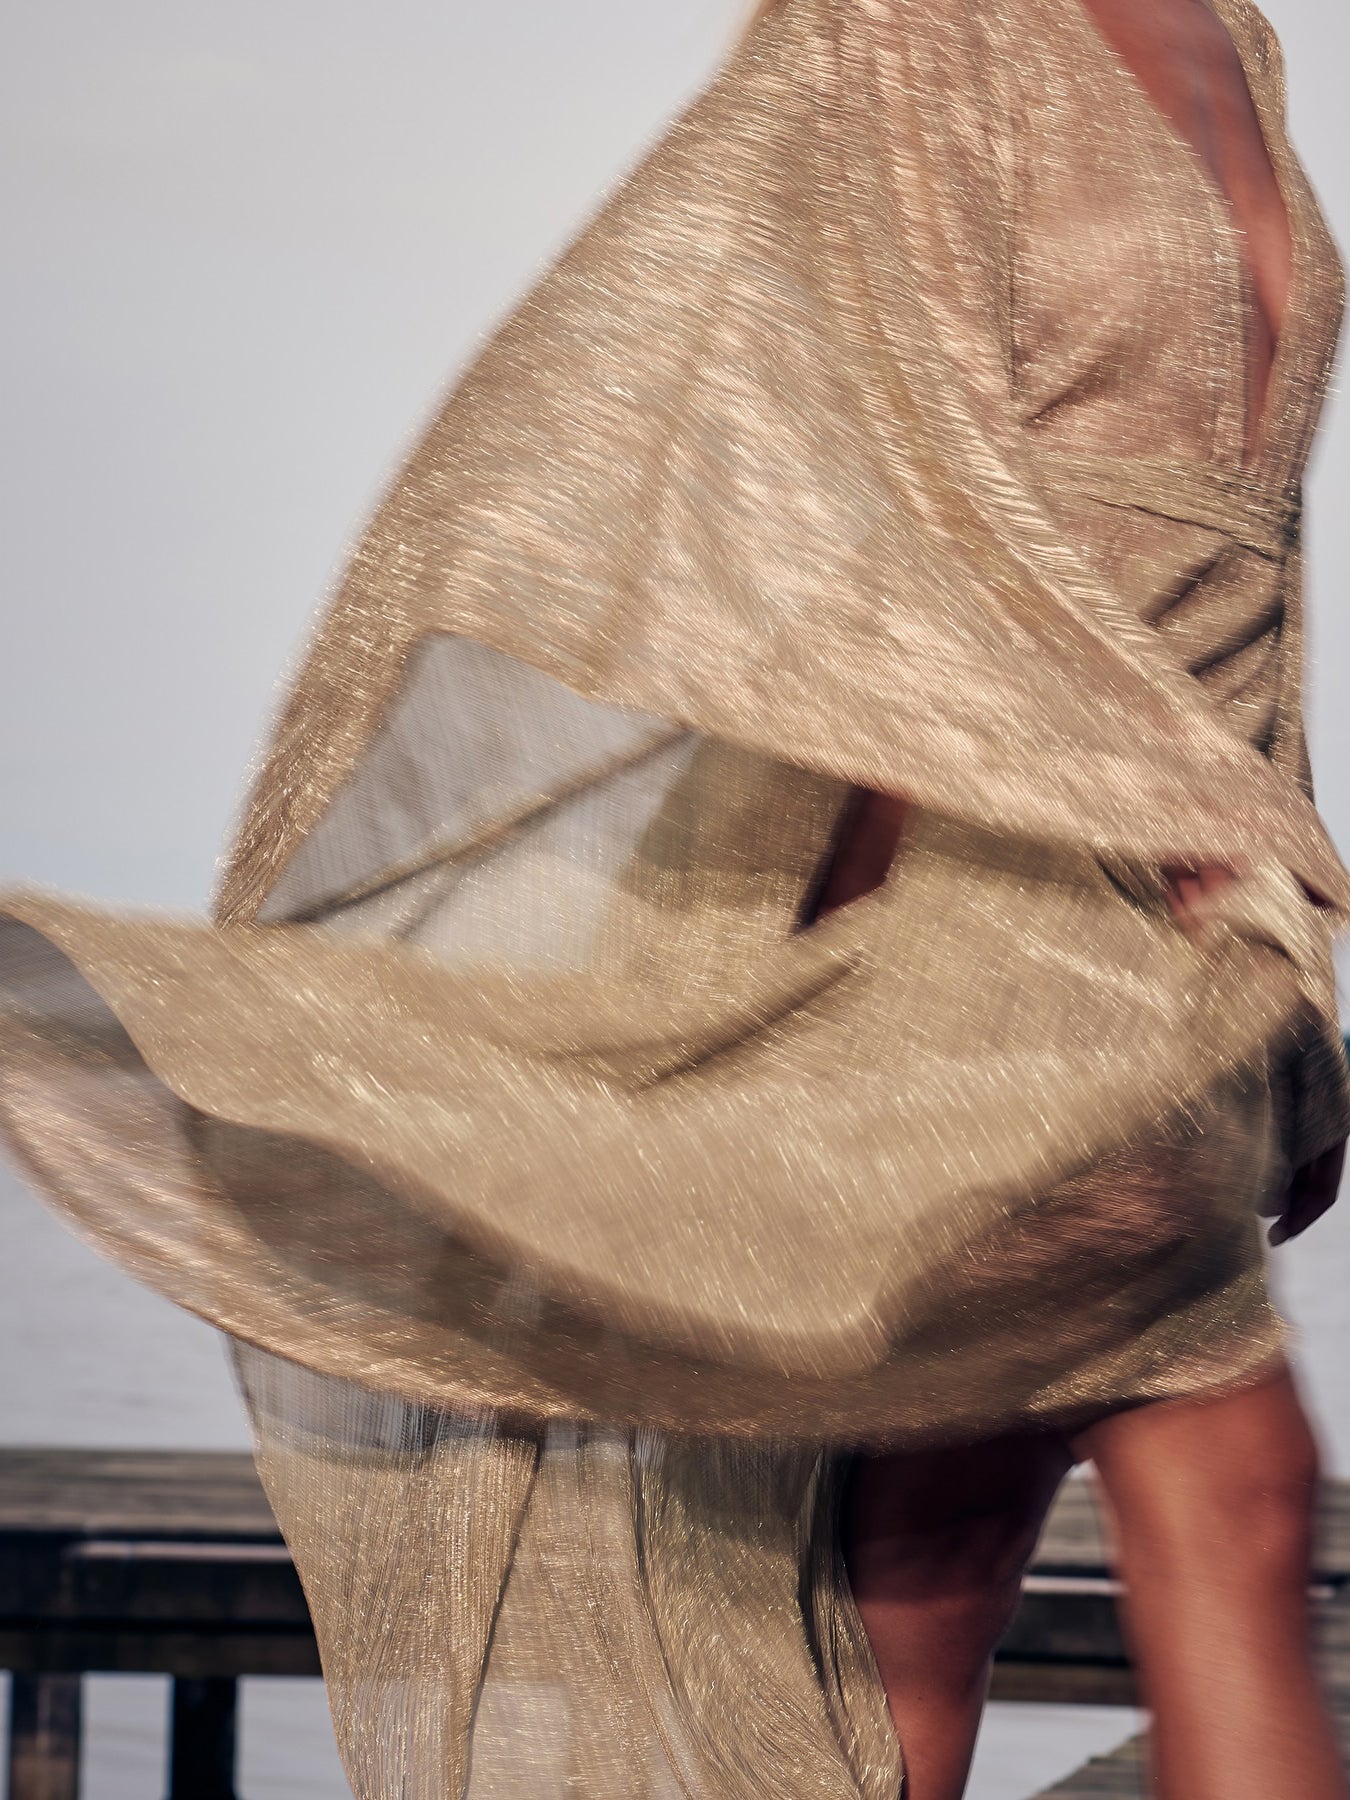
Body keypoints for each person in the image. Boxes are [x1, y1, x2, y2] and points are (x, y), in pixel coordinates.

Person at [0, 0, 1347, 1796]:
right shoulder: (910, 28)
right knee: (1219, 1504)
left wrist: (1288, 970)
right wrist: (927, 912)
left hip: (1192, 954)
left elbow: (1249, 554)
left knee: (925, 1585)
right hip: (986, 919)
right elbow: (840, 502)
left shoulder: (1234, 37)